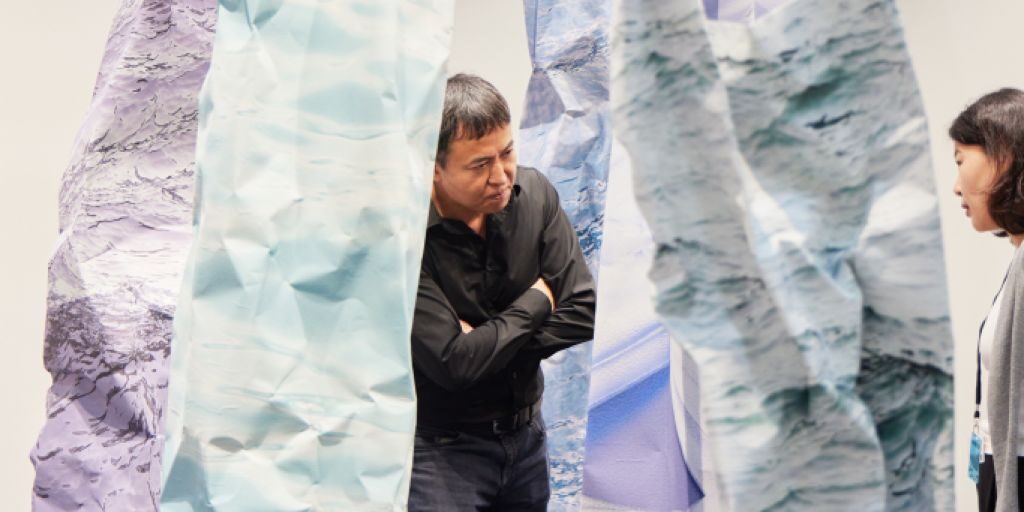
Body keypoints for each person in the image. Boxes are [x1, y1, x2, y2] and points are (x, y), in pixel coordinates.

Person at [407, 73, 596, 511]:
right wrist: (538, 300)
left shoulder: (536, 195)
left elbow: (584, 311)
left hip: (527, 440)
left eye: (507, 153)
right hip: (442, 452)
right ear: (434, 168)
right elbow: (454, 366)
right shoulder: (407, 238)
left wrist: (482, 345)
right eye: (479, 165)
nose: (500, 176)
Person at [951, 88, 1024, 512]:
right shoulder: (1018, 261)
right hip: (1002, 467)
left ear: (1003, 157)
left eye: (961, 160)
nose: (956, 186)